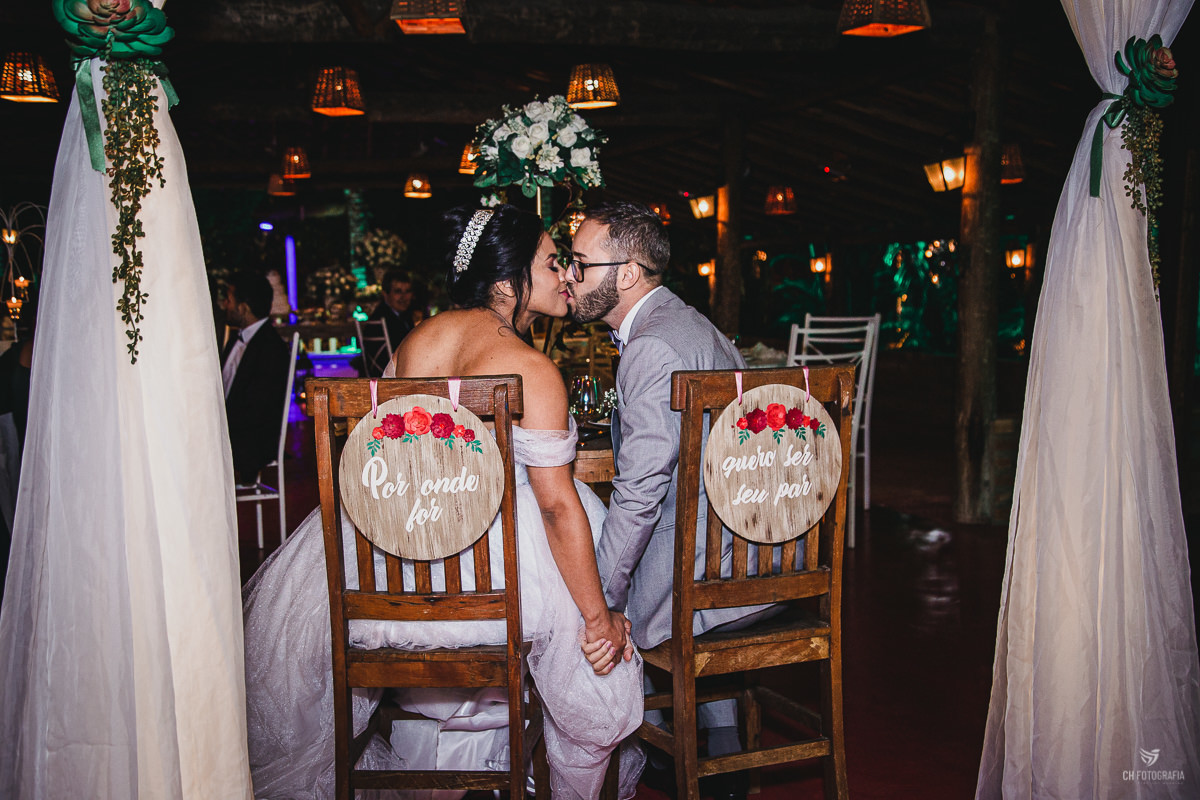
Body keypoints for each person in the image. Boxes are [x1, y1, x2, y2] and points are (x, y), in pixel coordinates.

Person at [242, 205, 645, 800]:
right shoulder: (532, 369)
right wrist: (597, 618)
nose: (565, 275)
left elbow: (377, 464)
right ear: (507, 282)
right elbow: (556, 508)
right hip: (492, 593)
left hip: (392, 582)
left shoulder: (414, 343)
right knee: (598, 650)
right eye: (551, 263)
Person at [566, 201, 774, 795]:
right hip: (749, 551)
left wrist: (599, 605)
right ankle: (717, 746)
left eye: (580, 264)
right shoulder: (695, 325)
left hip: (705, 573)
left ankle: (652, 741)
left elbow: (639, 494)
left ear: (628, 273)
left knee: (572, 594)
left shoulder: (652, 347)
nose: (569, 277)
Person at [220, 270, 291, 483]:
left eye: (229, 300)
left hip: (249, 440)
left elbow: (257, 409)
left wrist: (216, 426)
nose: (224, 305)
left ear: (244, 307)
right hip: (230, 430)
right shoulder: (235, 339)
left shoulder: (271, 348)